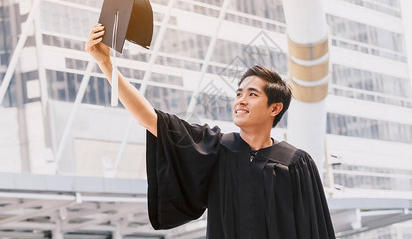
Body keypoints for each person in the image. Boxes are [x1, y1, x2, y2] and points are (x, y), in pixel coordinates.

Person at [86, 24, 336, 238]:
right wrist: (106, 64)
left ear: (275, 108)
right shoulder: (217, 149)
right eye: (238, 94)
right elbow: (151, 120)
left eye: (252, 94)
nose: (240, 100)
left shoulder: (297, 163)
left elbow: (316, 230)